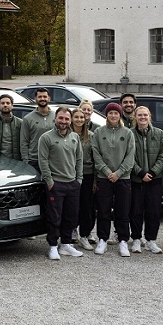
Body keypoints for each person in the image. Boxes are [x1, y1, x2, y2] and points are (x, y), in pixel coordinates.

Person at [37, 107, 84, 260]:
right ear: (55, 119)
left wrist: (79, 180)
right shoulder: (46, 137)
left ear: (70, 120)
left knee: (71, 216)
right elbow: (42, 161)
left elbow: (79, 159)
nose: (63, 121)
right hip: (56, 184)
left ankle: (65, 244)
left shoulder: (75, 137)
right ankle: (52, 246)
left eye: (66, 119)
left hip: (72, 184)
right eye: (61, 118)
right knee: (54, 217)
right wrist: (49, 181)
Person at [91, 102, 135, 257]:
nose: (113, 115)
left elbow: (130, 156)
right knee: (103, 211)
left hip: (123, 178)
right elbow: (96, 154)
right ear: (106, 115)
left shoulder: (128, 133)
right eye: (110, 113)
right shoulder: (98, 132)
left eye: (116, 113)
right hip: (104, 178)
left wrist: (119, 172)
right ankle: (102, 239)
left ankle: (123, 240)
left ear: (120, 114)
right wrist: (107, 171)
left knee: (122, 211)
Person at [130, 106, 163, 254]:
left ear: (150, 116)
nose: (143, 117)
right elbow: (128, 156)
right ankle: (137, 239)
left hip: (154, 179)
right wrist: (140, 173)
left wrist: (152, 172)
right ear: (135, 117)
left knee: (154, 211)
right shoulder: (130, 134)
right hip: (136, 179)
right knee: (136, 211)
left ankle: (151, 240)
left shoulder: (159, 134)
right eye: (140, 115)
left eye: (145, 115)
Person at [71, 107, 98, 250]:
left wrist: (95, 180)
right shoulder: (66, 135)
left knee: (87, 207)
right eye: (76, 117)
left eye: (82, 117)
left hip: (87, 175)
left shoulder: (92, 136)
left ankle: (85, 235)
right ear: (71, 118)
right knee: (72, 206)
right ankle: (71, 231)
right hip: (70, 175)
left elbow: (96, 158)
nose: (79, 120)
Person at [20, 88, 54, 171]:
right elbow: (24, 142)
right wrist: (26, 161)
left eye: (45, 96)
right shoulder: (28, 119)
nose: (42, 99)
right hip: (34, 161)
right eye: (40, 97)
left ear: (49, 98)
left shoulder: (56, 116)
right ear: (35, 99)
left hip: (53, 160)